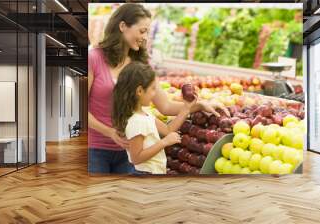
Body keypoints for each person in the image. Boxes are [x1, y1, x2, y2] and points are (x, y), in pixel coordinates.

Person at [88, 3, 228, 174]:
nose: (145, 37)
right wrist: (109, 132)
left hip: (131, 150)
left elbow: (166, 106)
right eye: (142, 31)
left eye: (147, 31)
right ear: (123, 26)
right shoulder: (94, 58)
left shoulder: (141, 66)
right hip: (96, 149)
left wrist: (201, 104)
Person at [112, 62, 196, 174]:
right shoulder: (136, 121)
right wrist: (164, 142)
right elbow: (136, 158)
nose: (155, 93)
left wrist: (186, 108)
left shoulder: (145, 113)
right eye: (153, 89)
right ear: (140, 91)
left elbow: (168, 130)